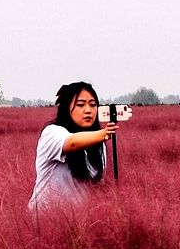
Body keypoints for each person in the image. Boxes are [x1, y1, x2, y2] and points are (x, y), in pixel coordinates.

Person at [28, 81, 119, 211]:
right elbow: (72, 143)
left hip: (77, 222)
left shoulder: (99, 146)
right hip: (43, 219)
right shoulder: (52, 133)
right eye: (80, 105)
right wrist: (104, 134)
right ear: (66, 108)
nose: (88, 110)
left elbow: (96, 187)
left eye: (93, 105)